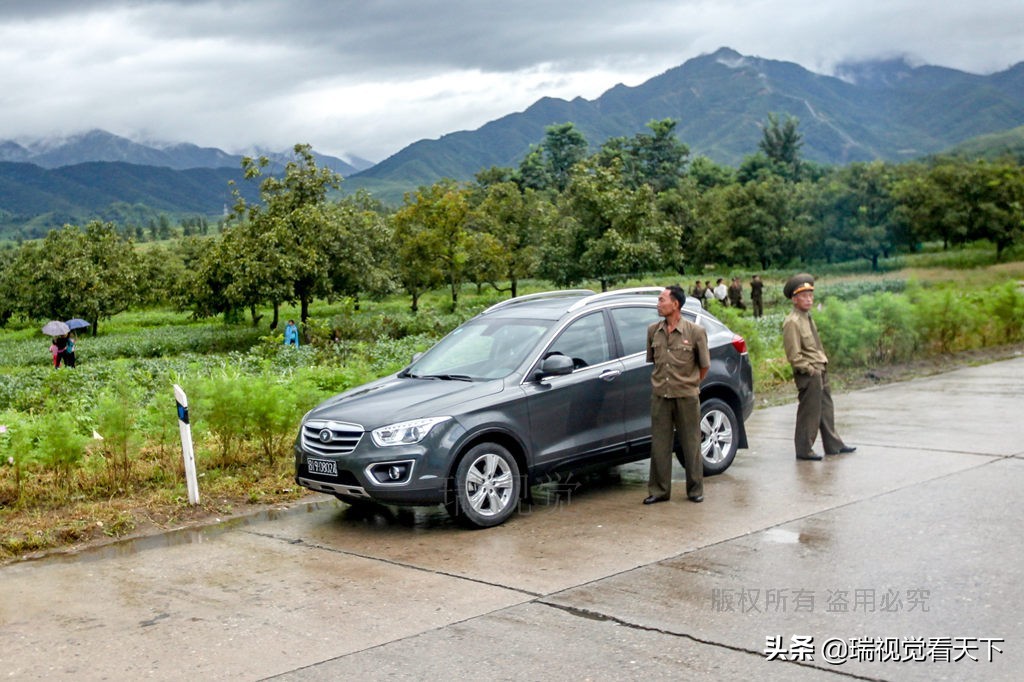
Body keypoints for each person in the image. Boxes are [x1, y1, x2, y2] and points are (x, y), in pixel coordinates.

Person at [644, 285, 710, 505]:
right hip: (661, 396)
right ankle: (659, 490)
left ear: (676, 304)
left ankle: (695, 489)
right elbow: (654, 361)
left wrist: (689, 384)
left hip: (686, 396)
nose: (658, 304)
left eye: (662, 300)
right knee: (660, 444)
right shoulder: (654, 331)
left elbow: (703, 366)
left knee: (691, 443)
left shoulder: (695, 332)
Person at [782, 273, 856, 461]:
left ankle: (834, 445)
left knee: (826, 409)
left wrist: (822, 365)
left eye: (811, 295)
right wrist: (810, 369)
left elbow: (815, 345)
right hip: (809, 373)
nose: (809, 299)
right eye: (804, 296)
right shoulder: (792, 322)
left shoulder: (807, 317)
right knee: (810, 412)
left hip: (820, 368)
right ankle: (804, 449)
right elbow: (794, 355)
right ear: (794, 299)